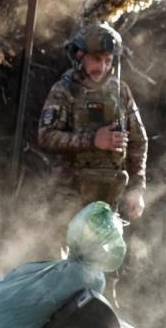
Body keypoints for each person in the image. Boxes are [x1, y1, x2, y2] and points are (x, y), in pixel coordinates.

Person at [38, 22, 148, 224]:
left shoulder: (120, 92)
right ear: (80, 56)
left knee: (102, 255)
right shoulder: (63, 91)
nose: (103, 67)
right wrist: (93, 140)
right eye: (97, 60)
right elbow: (46, 137)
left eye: (108, 60)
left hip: (107, 201)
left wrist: (137, 189)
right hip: (66, 199)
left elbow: (138, 142)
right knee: (59, 255)